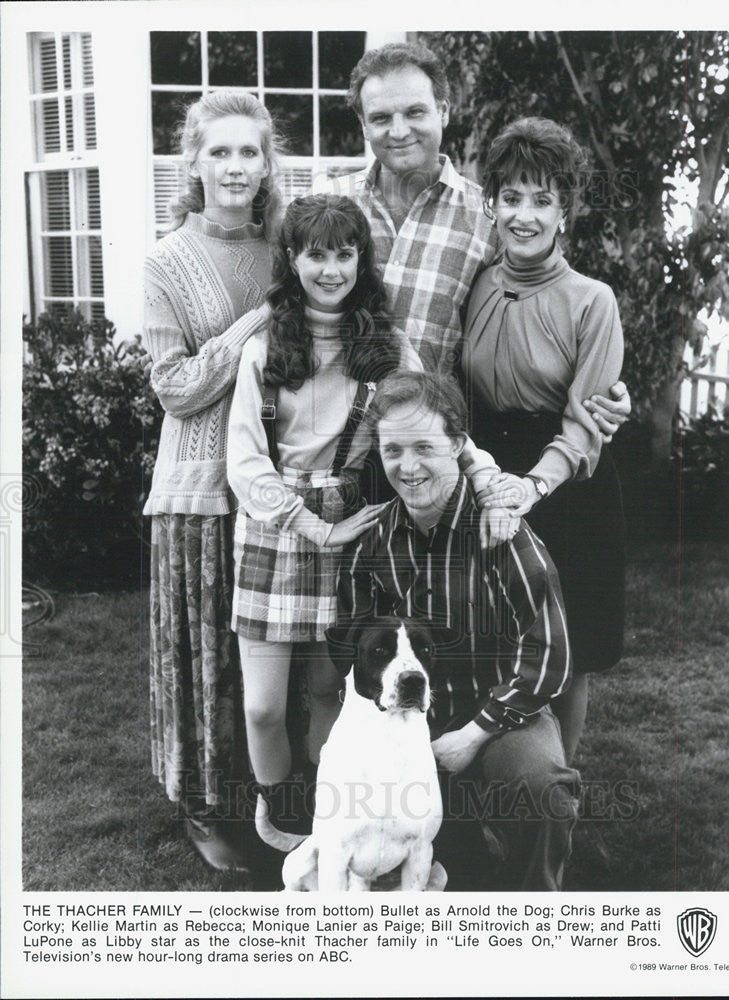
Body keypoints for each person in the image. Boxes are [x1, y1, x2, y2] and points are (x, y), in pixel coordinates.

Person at [226, 195, 507, 841]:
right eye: (315, 254)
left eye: (343, 254)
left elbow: (436, 424)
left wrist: (488, 478)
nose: (330, 270)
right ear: (291, 260)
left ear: (361, 259)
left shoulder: (386, 345)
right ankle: (277, 812)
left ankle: (332, 816)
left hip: (353, 530)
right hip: (275, 527)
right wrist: (306, 523)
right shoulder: (263, 346)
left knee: (331, 693)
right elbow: (242, 460)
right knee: (264, 707)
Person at [334, 371, 580, 891]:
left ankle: (531, 911)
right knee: (430, 863)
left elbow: (551, 652)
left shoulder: (502, 530)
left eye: (425, 446)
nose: (408, 466)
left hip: (498, 714)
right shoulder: (372, 543)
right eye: (393, 449)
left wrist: (474, 735)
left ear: (459, 447)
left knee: (543, 791)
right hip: (407, 721)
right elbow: (350, 651)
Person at [322, 40, 629, 443]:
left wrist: (600, 390)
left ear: (444, 111)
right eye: (381, 117)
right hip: (328, 443)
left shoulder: (488, 219)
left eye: (415, 112)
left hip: (433, 450)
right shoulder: (329, 207)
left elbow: (542, 316)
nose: (398, 131)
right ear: (363, 125)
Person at [142, 91, 281, 870]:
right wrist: (249, 325)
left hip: (265, 486)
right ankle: (200, 806)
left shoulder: (282, 254)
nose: (235, 167)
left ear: (267, 166)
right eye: (219, 152)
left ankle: (269, 798)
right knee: (199, 659)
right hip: (195, 495)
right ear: (192, 163)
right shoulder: (163, 261)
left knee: (260, 661)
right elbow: (175, 387)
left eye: (249, 152)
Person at [463, 116, 627, 762]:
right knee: (498, 641)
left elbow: (586, 425)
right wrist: (489, 483)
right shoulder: (474, 284)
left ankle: (556, 794)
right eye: (510, 198)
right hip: (488, 476)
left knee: (568, 650)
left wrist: (531, 486)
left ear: (566, 213)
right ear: (491, 205)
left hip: (568, 489)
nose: (523, 216)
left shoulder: (592, 301)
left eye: (542, 200)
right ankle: (496, 787)